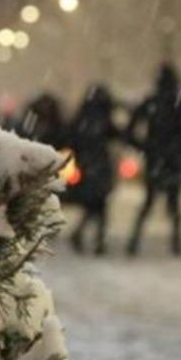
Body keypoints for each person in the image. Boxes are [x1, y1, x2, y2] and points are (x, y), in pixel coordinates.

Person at [126, 63, 181, 256]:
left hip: (155, 158)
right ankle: (176, 244)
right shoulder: (179, 105)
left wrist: (143, 146)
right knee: (173, 205)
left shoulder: (152, 103)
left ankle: (134, 242)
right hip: (172, 159)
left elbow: (130, 129)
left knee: (149, 203)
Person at [65, 85, 121, 255]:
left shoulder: (82, 117)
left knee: (94, 204)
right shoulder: (102, 118)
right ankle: (97, 240)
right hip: (99, 165)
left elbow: (71, 140)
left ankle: (88, 237)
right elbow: (115, 134)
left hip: (87, 165)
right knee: (99, 205)